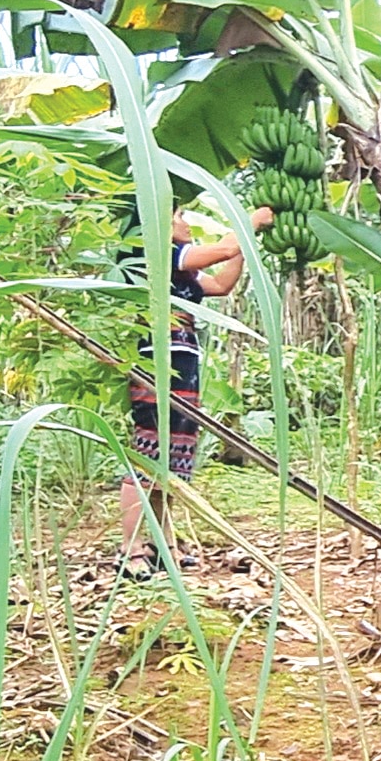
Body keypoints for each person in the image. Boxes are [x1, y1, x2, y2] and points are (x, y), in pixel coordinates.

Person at [119, 206, 271, 579]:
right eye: (179, 217)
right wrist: (248, 222)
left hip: (183, 365)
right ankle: (130, 550)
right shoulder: (157, 256)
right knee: (148, 452)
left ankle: (162, 543)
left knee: (173, 456)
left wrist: (246, 245)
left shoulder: (182, 273)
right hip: (156, 364)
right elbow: (219, 251)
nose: (186, 223)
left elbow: (220, 284)